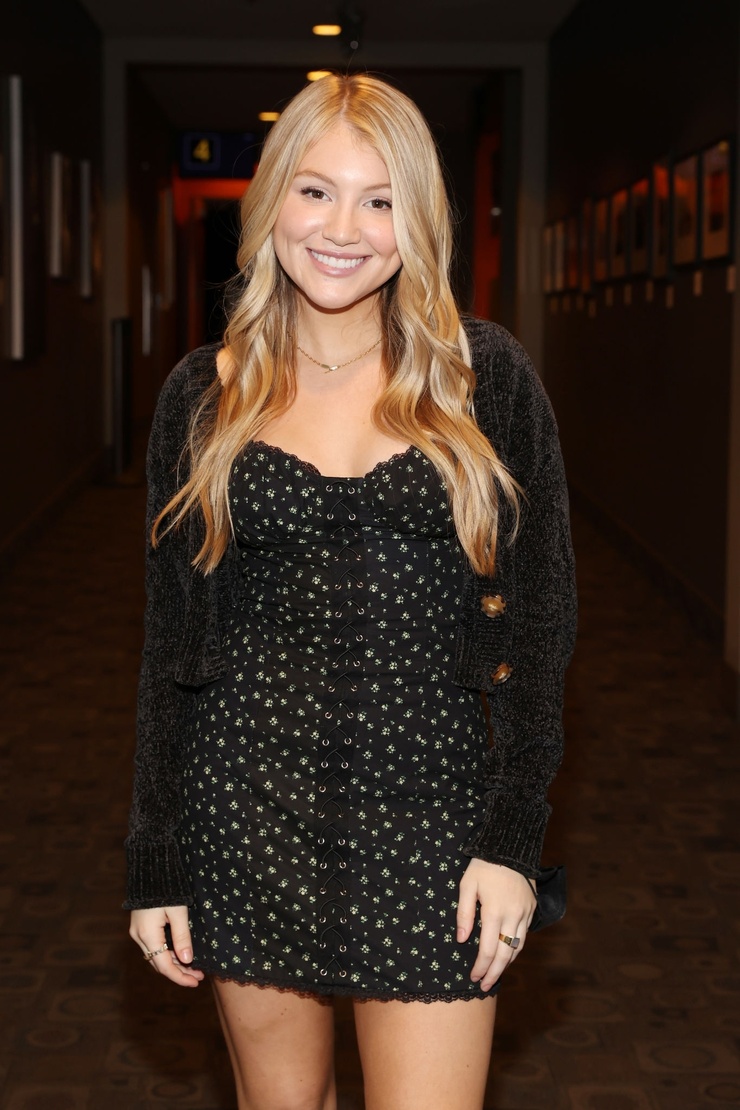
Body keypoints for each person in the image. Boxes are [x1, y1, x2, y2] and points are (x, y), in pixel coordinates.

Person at [125, 72, 576, 1110]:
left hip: (435, 817)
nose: (342, 229)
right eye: (315, 191)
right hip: (244, 810)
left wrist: (512, 840)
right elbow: (169, 647)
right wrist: (157, 855)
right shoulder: (202, 396)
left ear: (417, 221)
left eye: (379, 199)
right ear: (271, 199)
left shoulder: (486, 380)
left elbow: (542, 623)